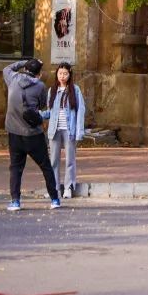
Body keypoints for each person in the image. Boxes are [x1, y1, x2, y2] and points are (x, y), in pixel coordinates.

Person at [3, 57, 61, 212]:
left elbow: (6, 68)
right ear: (39, 73)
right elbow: (41, 104)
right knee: (45, 166)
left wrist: (24, 62)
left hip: (14, 133)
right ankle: (54, 199)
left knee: (15, 168)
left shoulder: (13, 78)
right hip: (33, 134)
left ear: (25, 69)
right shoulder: (40, 86)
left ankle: (15, 201)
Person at [47, 63, 86, 199]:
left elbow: (81, 111)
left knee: (70, 160)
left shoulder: (75, 90)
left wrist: (79, 131)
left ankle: (69, 187)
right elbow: (50, 111)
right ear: (56, 74)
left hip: (69, 130)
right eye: (60, 74)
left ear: (69, 75)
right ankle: (55, 188)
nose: (62, 76)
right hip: (54, 130)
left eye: (65, 74)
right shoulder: (52, 90)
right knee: (53, 160)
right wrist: (37, 114)